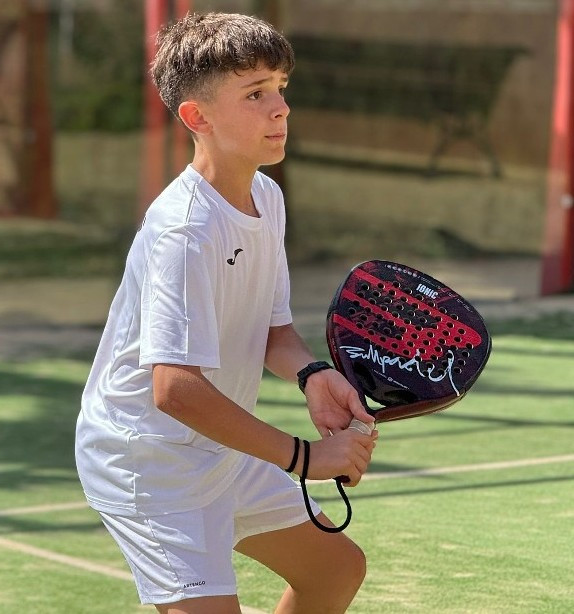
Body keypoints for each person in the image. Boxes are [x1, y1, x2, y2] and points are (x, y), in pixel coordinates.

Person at [75, 12, 378, 614]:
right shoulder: (184, 232)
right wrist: (305, 457)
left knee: (334, 569)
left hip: (217, 446)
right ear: (197, 118)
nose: (280, 108)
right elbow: (175, 389)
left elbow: (274, 331)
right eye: (255, 94)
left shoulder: (266, 195)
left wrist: (313, 375)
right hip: (150, 462)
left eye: (280, 89)